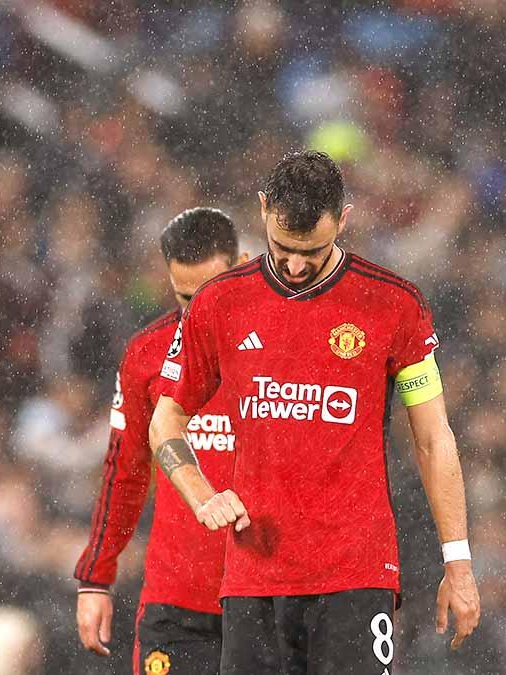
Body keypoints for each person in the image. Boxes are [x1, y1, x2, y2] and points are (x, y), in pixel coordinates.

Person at [148, 152, 481, 674]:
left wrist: (457, 562)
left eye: (313, 250)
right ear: (262, 211)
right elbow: (166, 417)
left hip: (356, 571)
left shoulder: (395, 305)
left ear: (343, 220)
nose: (297, 265)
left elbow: (434, 439)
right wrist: (200, 492)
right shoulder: (220, 304)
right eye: (283, 248)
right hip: (254, 576)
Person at [75, 208, 246, 674]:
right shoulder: (147, 354)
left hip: (265, 601)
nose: (200, 314)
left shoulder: (284, 350)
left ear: (245, 263)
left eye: (213, 295)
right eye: (186, 297)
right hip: (177, 602)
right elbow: (124, 470)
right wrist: (96, 577)